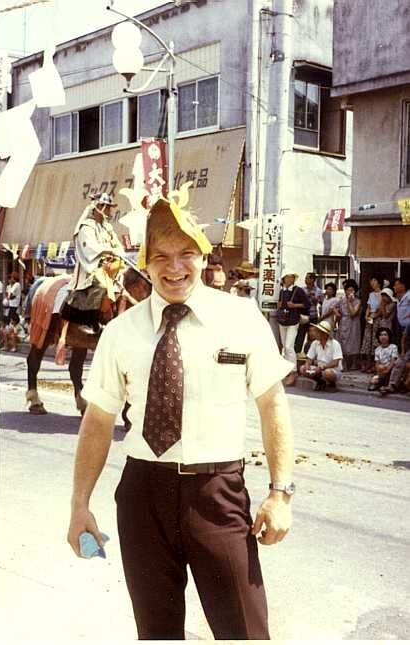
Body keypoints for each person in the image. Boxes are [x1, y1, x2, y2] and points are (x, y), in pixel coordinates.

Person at [67, 197, 295, 640]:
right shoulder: (120, 333)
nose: (175, 267)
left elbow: (273, 405)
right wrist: (79, 506)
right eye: (161, 257)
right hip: (142, 496)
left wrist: (280, 494)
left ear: (203, 256)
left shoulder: (241, 319)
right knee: (156, 633)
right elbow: (97, 421)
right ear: (145, 264)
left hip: (217, 495)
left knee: (245, 632)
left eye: (186, 253)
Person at [62, 192, 127, 334]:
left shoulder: (107, 227)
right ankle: (89, 320)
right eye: (108, 207)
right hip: (91, 267)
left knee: (125, 280)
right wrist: (109, 251)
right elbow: (91, 248)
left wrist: (118, 252)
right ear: (99, 207)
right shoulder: (86, 227)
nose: (110, 211)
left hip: (109, 265)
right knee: (101, 283)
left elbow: (118, 245)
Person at [380, 277, 410, 395]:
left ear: (402, 285)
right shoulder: (399, 299)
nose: (394, 287)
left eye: (396, 284)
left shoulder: (409, 296)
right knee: (400, 361)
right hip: (405, 331)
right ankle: (392, 384)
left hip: (408, 329)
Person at [299, 319, 343, 390]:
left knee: (327, 372)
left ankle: (331, 384)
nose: (315, 333)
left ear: (324, 334)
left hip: (333, 370)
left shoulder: (335, 344)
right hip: (319, 369)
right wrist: (307, 366)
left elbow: (335, 363)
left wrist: (321, 367)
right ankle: (320, 382)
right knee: (302, 368)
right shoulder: (315, 343)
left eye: (318, 332)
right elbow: (309, 359)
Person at [294, 272, 324, 354]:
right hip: (303, 316)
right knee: (300, 335)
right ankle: (297, 354)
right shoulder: (302, 290)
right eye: (305, 278)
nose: (305, 280)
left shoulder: (319, 291)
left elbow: (322, 303)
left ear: (312, 279)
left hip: (313, 316)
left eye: (307, 278)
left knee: (312, 336)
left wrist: (315, 299)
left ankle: (310, 354)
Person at [335, 283, 362, 370]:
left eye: (352, 290)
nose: (350, 292)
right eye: (348, 290)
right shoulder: (341, 300)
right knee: (342, 342)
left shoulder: (358, 301)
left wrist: (350, 302)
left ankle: (354, 363)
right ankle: (344, 363)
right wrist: (337, 315)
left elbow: (353, 313)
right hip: (343, 322)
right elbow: (335, 309)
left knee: (354, 342)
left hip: (354, 323)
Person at [360, 274, 383, 373]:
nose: (372, 283)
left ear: (378, 282)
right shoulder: (371, 294)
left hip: (378, 319)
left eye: (374, 280)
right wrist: (366, 316)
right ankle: (368, 364)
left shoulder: (383, 294)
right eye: (371, 281)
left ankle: (375, 365)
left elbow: (382, 309)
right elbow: (369, 307)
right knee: (368, 341)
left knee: (375, 341)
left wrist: (375, 316)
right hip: (370, 318)